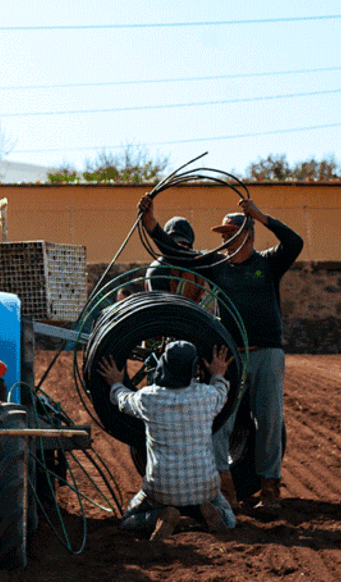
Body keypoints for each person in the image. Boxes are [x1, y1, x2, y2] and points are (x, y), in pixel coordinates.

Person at [140, 195, 304, 510]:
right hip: (231, 356)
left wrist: (261, 215)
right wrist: (151, 225)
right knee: (220, 420)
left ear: (248, 236)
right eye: (223, 237)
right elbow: (176, 254)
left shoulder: (268, 263)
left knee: (269, 421)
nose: (225, 242)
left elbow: (294, 242)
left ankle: (270, 492)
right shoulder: (216, 266)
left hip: (268, 353)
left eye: (229, 235)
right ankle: (225, 489)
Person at [96, 341, 236, 541]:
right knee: (230, 520)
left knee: (128, 520)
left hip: (161, 490)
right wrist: (217, 374)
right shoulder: (207, 396)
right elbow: (222, 391)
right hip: (204, 488)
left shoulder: (148, 399)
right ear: (195, 368)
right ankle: (202, 516)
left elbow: (122, 400)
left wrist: (116, 383)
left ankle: (160, 517)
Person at [145, 216, 206, 302]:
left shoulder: (197, 271)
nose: (179, 248)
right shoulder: (157, 270)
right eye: (175, 244)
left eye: (184, 244)